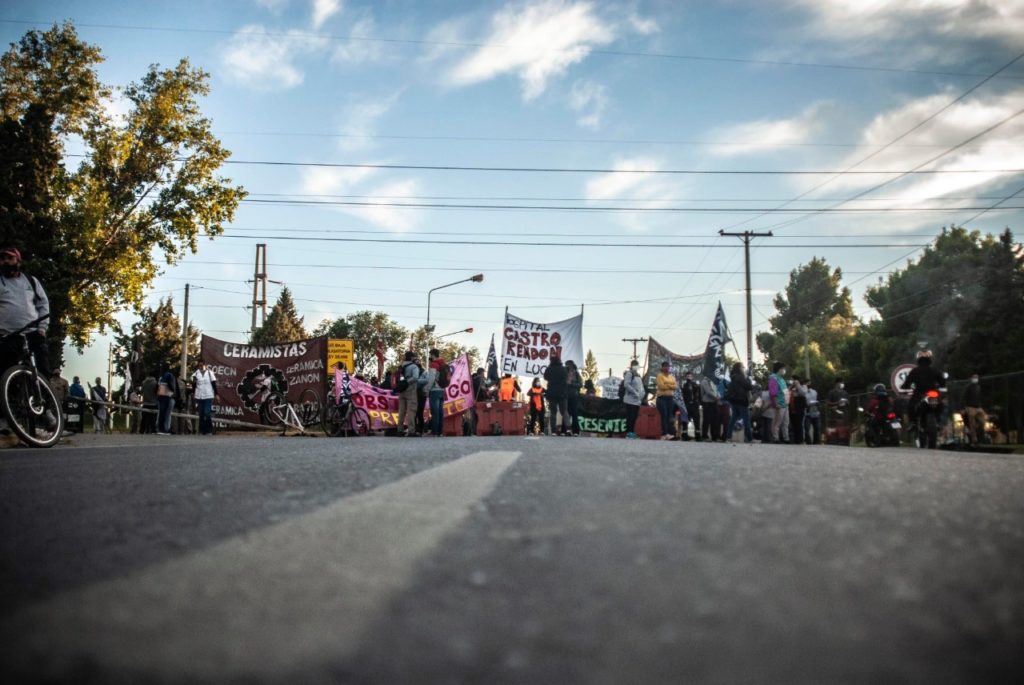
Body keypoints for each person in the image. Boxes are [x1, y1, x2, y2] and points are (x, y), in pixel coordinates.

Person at [0, 246, 51, 378]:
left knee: (43, 370)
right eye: (2, 259)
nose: (5, 261)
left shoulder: (31, 281)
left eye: (10, 258)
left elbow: (43, 303)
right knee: (6, 372)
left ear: (18, 261)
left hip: (33, 332)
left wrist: (42, 328)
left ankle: (45, 396)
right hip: (8, 336)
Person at [900, 350, 946, 449]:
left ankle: (912, 423)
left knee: (911, 405)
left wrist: (904, 387)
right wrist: (942, 386)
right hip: (932, 393)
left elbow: (906, 384)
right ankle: (939, 421)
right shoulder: (935, 370)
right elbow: (943, 382)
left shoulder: (914, 371)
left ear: (919, 360)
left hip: (920, 394)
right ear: (929, 360)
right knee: (941, 404)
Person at [726, 362, 753, 443]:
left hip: (734, 401)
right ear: (739, 368)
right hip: (742, 401)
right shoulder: (741, 377)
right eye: (743, 367)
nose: (744, 369)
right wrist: (748, 379)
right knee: (746, 420)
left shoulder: (733, 377)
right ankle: (750, 438)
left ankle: (728, 437)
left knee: (733, 419)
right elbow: (749, 387)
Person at [396, 351, 420, 437]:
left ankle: (400, 430)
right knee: (411, 411)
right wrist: (407, 382)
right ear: (412, 357)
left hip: (401, 390)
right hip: (411, 390)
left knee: (401, 411)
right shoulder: (414, 367)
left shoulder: (400, 365)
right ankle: (411, 431)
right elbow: (416, 377)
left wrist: (403, 383)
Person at [543, 355, 570, 436]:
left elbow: (545, 377)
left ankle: (554, 431)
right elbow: (566, 378)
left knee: (553, 412)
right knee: (564, 411)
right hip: (562, 393)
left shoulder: (549, 369)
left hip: (552, 393)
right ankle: (568, 429)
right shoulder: (563, 369)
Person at [191, 359, 219, 435]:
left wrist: (216, 394)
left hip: (208, 396)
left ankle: (209, 430)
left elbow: (214, 384)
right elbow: (193, 385)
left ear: (205, 365)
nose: (200, 366)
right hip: (199, 396)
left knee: (207, 413)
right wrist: (193, 394)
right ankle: (202, 430)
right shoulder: (195, 374)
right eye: (199, 365)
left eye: (202, 365)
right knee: (201, 413)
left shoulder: (210, 373)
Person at [426, 348, 447, 437]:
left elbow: (431, 379)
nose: (429, 357)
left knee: (435, 412)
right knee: (440, 412)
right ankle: (440, 431)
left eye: (430, 355)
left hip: (435, 390)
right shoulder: (444, 364)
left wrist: (427, 389)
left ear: (433, 355)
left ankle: (434, 432)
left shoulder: (434, 364)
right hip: (442, 390)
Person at [622, 360, 644, 439]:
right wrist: (634, 392)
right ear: (631, 365)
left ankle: (632, 432)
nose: (636, 366)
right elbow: (626, 384)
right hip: (630, 399)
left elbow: (641, 386)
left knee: (634, 417)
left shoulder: (638, 375)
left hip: (637, 401)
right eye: (635, 365)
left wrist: (642, 393)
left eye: (637, 365)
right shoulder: (629, 373)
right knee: (630, 416)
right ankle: (628, 433)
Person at [655, 361, 677, 440]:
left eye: (668, 366)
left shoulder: (671, 376)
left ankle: (667, 433)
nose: (667, 368)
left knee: (668, 416)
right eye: (665, 366)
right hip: (662, 398)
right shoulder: (659, 376)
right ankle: (663, 434)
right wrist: (670, 385)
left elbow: (675, 386)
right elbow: (661, 386)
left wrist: (667, 384)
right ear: (662, 368)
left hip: (670, 398)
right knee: (663, 416)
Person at [962, 373, 986, 446]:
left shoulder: (978, 387)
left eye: (976, 377)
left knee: (983, 421)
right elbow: (964, 397)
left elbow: (979, 397)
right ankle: (974, 439)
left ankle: (974, 431)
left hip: (978, 407)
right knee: (972, 423)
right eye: (974, 377)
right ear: (971, 378)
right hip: (971, 407)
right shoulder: (968, 387)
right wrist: (965, 407)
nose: (975, 379)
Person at [768, 362, 789, 443]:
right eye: (783, 368)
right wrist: (776, 403)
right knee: (777, 422)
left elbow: (785, 391)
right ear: (779, 369)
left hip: (785, 404)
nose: (784, 370)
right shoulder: (773, 378)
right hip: (779, 404)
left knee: (786, 422)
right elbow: (773, 393)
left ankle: (786, 438)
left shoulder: (782, 379)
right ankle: (775, 438)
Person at [699, 373, 720, 442]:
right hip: (707, 402)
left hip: (714, 402)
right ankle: (704, 436)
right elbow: (708, 391)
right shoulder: (704, 381)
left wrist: (718, 395)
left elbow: (716, 390)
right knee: (707, 420)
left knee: (715, 420)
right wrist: (716, 397)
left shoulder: (713, 381)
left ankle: (714, 436)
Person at [156, 364, 176, 435]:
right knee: (165, 413)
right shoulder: (169, 375)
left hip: (160, 396)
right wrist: (173, 390)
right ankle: (163, 429)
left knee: (161, 412)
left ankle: (160, 428)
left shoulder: (161, 377)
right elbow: (171, 385)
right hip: (167, 395)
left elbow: (157, 386)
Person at [681, 371, 701, 441]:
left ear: (692, 377)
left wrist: (698, 403)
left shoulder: (695, 384)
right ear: (686, 377)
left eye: (690, 376)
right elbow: (683, 394)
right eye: (688, 376)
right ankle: (684, 435)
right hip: (687, 404)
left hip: (694, 404)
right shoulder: (684, 385)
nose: (689, 377)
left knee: (697, 420)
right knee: (685, 420)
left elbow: (698, 393)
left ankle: (698, 435)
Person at [565, 360, 583, 436]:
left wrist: (571, 383)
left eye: (568, 365)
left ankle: (576, 431)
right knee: (566, 414)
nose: (567, 366)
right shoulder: (564, 373)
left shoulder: (577, 374)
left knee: (575, 414)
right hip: (566, 396)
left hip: (574, 396)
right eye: (566, 365)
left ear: (572, 365)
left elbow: (580, 384)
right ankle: (566, 431)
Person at [789, 377, 807, 445]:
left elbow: (802, 393)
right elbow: (786, 392)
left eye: (794, 380)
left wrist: (798, 385)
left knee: (799, 424)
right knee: (793, 425)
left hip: (799, 409)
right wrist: (791, 386)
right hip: (792, 409)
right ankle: (795, 439)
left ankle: (800, 439)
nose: (793, 381)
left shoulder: (803, 386)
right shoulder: (791, 388)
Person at [804, 379, 821, 445]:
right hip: (807, 413)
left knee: (817, 427)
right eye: (807, 383)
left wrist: (817, 403)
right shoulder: (803, 392)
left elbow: (818, 400)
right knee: (806, 428)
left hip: (815, 412)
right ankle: (809, 442)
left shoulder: (814, 392)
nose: (809, 385)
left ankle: (816, 442)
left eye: (809, 383)